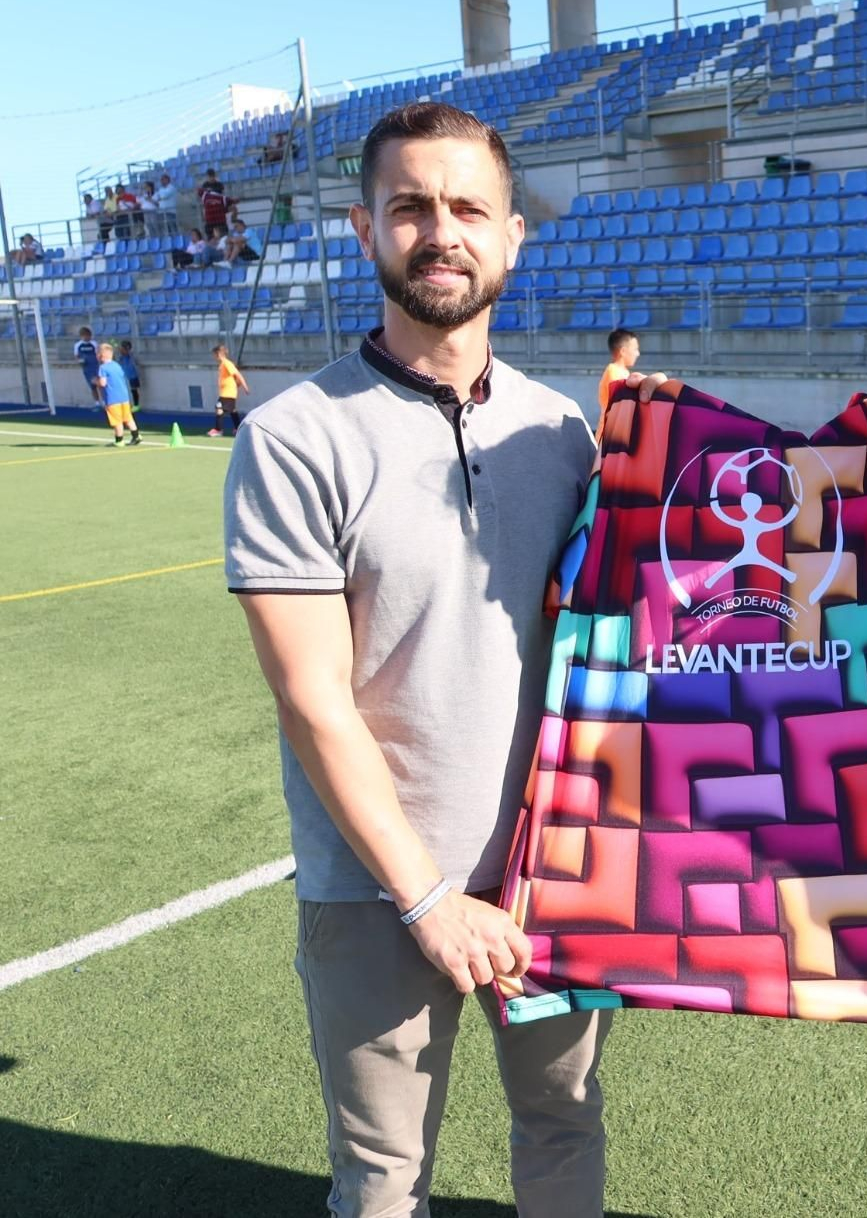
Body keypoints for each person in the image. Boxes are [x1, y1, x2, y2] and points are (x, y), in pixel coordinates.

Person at [222, 101, 611, 1217]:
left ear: (511, 234)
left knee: (561, 1123)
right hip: (377, 886)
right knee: (385, 1177)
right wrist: (429, 895)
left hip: (552, 869)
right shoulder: (293, 435)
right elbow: (313, 702)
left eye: (467, 207)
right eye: (411, 206)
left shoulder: (562, 432)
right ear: (364, 228)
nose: (441, 230)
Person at [95, 342, 140, 447]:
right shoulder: (117, 365)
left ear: (101, 356)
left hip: (112, 398)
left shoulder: (103, 368)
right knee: (128, 418)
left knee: (117, 421)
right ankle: (136, 435)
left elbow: (103, 383)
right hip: (124, 397)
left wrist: (96, 381)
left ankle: (119, 440)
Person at [596, 326, 638, 423]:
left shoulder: (623, 372)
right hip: (610, 431)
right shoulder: (613, 372)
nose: (637, 353)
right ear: (623, 351)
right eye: (635, 349)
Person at [207, 343, 249, 436]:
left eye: (214, 355)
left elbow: (237, 374)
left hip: (227, 392)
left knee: (219, 408)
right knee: (232, 410)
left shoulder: (227, 363)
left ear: (219, 354)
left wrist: (245, 386)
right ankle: (238, 428)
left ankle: (218, 430)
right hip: (227, 392)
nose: (214, 357)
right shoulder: (223, 364)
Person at [197, 169, 231, 239]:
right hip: (210, 212)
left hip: (218, 210)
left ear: (215, 176)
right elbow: (203, 196)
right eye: (209, 176)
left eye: (212, 176)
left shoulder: (219, 184)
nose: (211, 178)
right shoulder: (205, 185)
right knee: (210, 235)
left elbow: (221, 196)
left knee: (223, 233)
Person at [73, 326, 102, 406]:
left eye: (88, 335)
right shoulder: (78, 345)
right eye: (85, 335)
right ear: (81, 336)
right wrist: (80, 361)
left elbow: (98, 355)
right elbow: (76, 356)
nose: (87, 337)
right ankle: (97, 403)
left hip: (96, 367)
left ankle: (105, 402)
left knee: (100, 385)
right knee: (92, 386)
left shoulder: (94, 344)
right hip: (87, 368)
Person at [117, 339, 142, 411]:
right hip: (125, 376)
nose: (121, 350)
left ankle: (136, 405)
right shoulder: (121, 357)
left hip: (133, 376)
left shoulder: (131, 356)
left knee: (134, 390)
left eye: (122, 349)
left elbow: (135, 363)